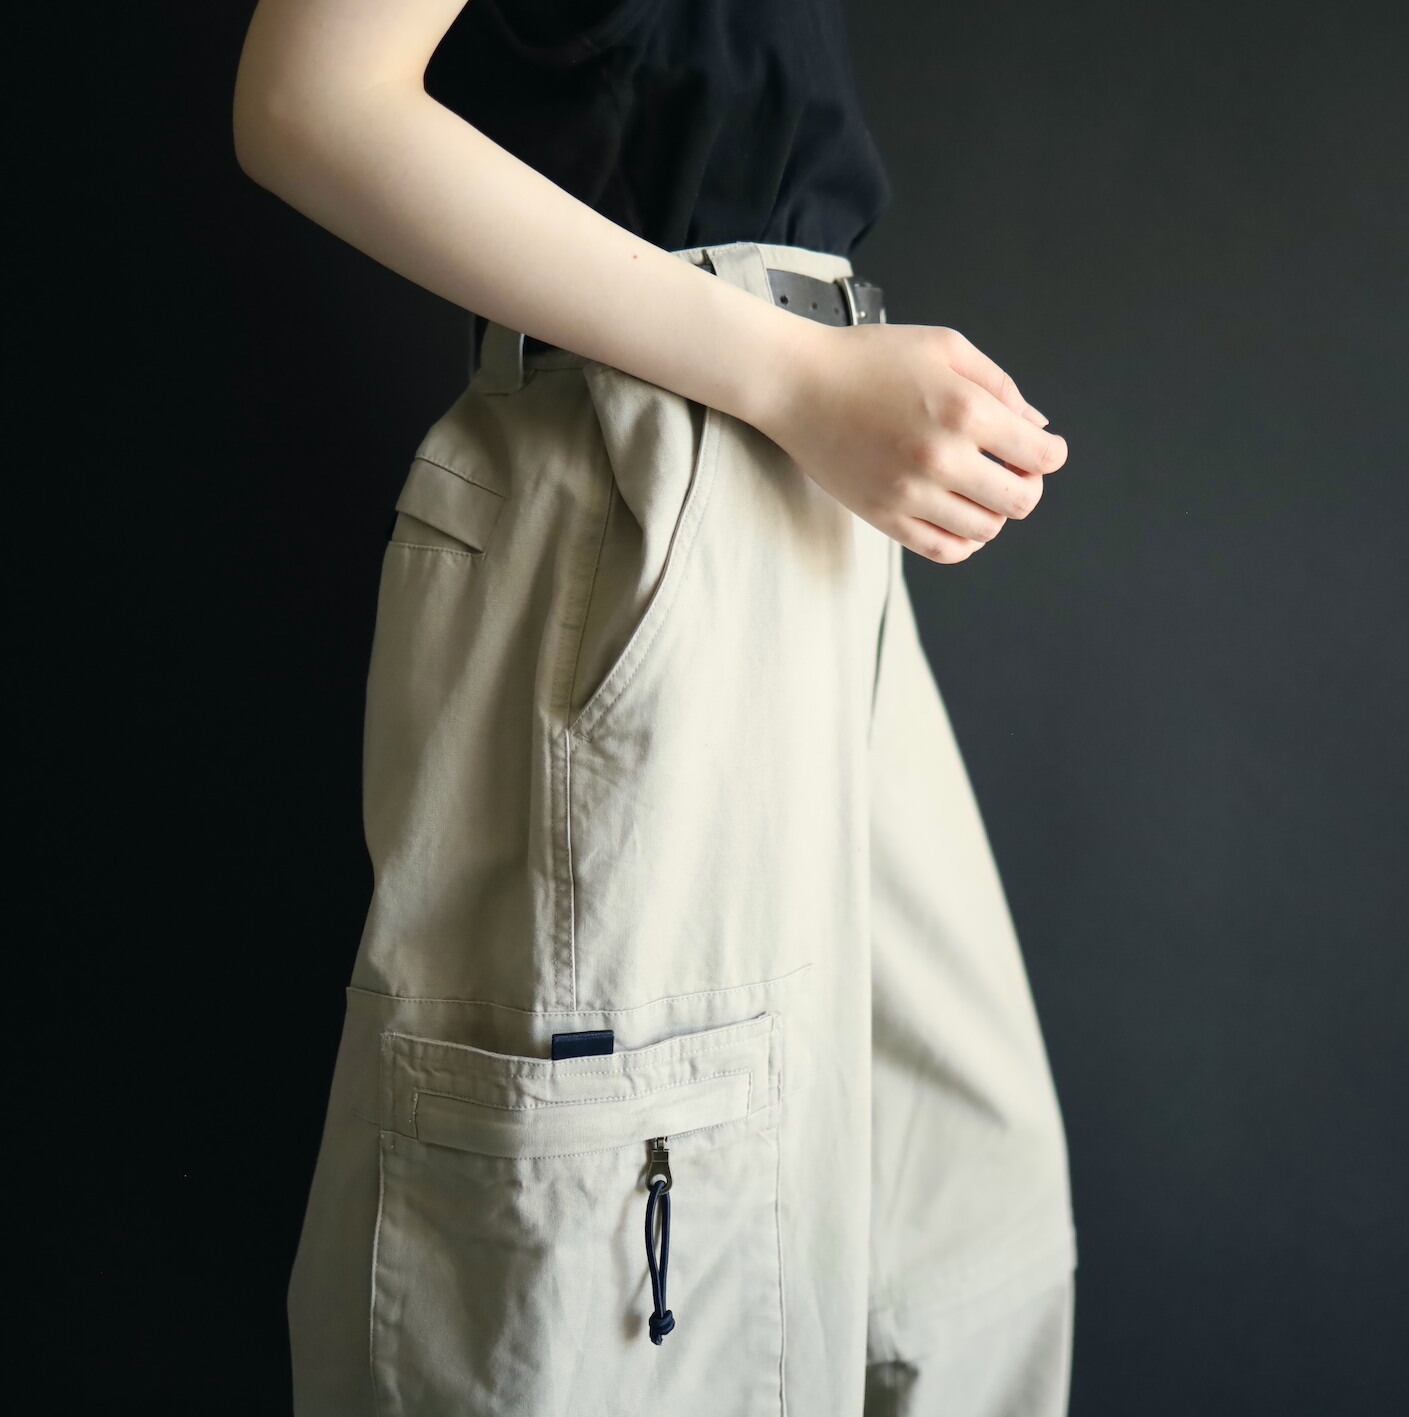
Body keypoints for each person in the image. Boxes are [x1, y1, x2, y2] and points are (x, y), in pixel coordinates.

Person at [232, 2, 1078, 1413]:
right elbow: (310, 101)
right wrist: (796, 372)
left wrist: (821, 382)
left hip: (808, 497)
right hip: (649, 487)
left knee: (944, 1254)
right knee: (613, 1279)